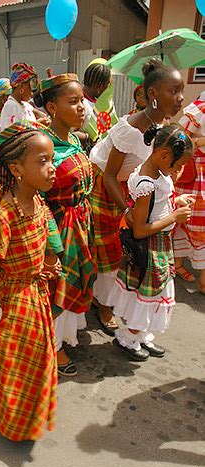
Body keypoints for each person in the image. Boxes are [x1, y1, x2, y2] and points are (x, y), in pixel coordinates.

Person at [0, 121, 58, 441]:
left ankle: (27, 420)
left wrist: (47, 266)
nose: (52, 168)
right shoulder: (3, 217)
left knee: (34, 362)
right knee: (15, 365)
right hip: (13, 301)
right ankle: (14, 426)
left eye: (52, 159)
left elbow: (44, 242)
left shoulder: (38, 202)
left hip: (35, 294)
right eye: (43, 161)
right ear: (17, 168)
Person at [90, 59, 184, 334]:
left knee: (129, 253)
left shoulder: (163, 125)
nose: (179, 99)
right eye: (173, 91)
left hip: (132, 189)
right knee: (111, 253)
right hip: (108, 192)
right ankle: (103, 305)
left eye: (181, 91)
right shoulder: (130, 129)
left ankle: (120, 305)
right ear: (153, 94)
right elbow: (108, 176)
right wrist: (127, 211)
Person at [107, 125, 193, 361]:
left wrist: (178, 201)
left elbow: (160, 202)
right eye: (177, 165)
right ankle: (127, 337)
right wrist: (174, 217)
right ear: (165, 156)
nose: (178, 170)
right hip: (152, 246)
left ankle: (140, 334)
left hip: (161, 244)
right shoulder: (147, 183)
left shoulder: (159, 173)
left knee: (154, 294)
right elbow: (141, 229)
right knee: (149, 296)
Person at [34, 73, 96, 376]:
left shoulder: (73, 138)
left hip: (80, 224)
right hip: (57, 229)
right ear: (52, 107)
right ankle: (51, 347)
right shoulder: (42, 147)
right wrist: (48, 245)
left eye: (82, 100)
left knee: (71, 285)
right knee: (54, 288)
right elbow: (35, 198)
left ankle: (63, 337)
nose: (82, 107)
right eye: (73, 102)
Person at [174, 91, 205, 293]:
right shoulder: (200, 108)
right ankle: (178, 265)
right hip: (196, 175)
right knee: (187, 221)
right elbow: (179, 138)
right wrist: (201, 142)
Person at [77, 58, 118, 150]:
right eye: (107, 86)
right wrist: (89, 137)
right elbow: (69, 133)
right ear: (99, 86)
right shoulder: (81, 104)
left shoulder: (98, 104)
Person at [0, 62, 49, 130]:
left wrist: (42, 116)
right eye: (31, 87)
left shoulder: (25, 105)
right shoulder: (10, 105)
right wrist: (37, 124)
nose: (32, 93)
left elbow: (38, 113)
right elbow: (10, 135)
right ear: (22, 86)